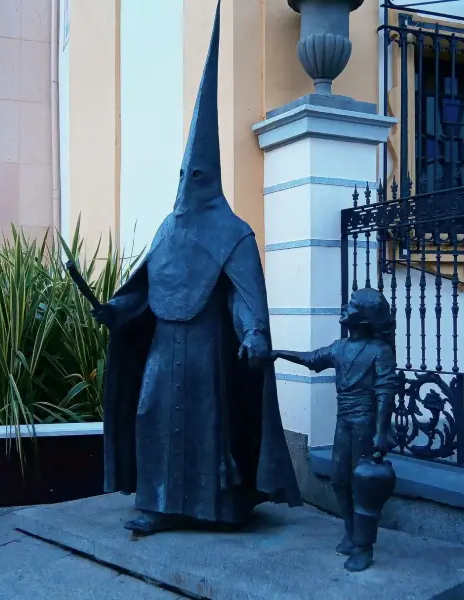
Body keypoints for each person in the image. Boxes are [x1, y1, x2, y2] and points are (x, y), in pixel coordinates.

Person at [89, 0, 302, 536]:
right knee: (153, 413)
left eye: (197, 171)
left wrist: (253, 332)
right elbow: (145, 283)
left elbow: (244, 296)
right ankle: (157, 503)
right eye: (185, 170)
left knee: (208, 424)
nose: (188, 179)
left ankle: (220, 507)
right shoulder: (168, 226)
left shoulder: (233, 231)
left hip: (208, 347)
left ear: (211, 177)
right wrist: (115, 308)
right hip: (165, 342)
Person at [271, 288, 398, 571]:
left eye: (352, 305)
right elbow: (312, 358)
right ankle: (351, 534)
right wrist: (279, 353)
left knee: (363, 485)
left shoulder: (379, 352)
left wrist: (381, 431)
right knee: (340, 480)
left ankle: (364, 548)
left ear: (364, 318)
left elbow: (385, 393)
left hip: (365, 423)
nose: (345, 306)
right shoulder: (339, 347)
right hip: (344, 422)